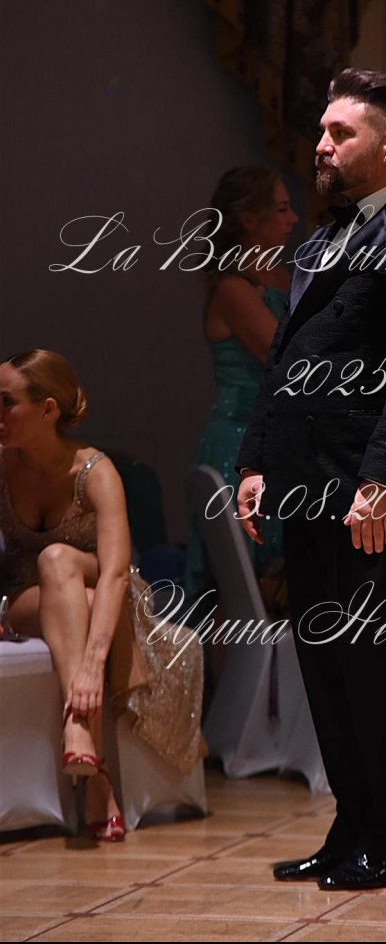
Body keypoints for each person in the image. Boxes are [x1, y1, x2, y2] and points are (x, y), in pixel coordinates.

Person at [236, 67, 386, 889]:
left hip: (375, 496)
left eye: (342, 132)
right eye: (322, 130)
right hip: (310, 488)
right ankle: (353, 827)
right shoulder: (326, 239)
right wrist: (257, 461)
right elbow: (285, 360)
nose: (322, 144)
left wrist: (383, 481)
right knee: (330, 671)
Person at [0, 350, 204, 839]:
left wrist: (93, 666)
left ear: (48, 410)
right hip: (25, 601)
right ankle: (91, 757)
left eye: (6, 402)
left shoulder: (96, 471)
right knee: (56, 567)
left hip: (107, 597)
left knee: (62, 564)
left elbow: (115, 575)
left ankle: (89, 759)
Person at [183, 166, 299, 603]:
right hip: (238, 443)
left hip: (282, 441)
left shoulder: (288, 278)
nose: (294, 220)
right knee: (237, 591)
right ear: (250, 219)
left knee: (287, 582)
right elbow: (286, 360)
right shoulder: (234, 288)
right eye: (282, 210)